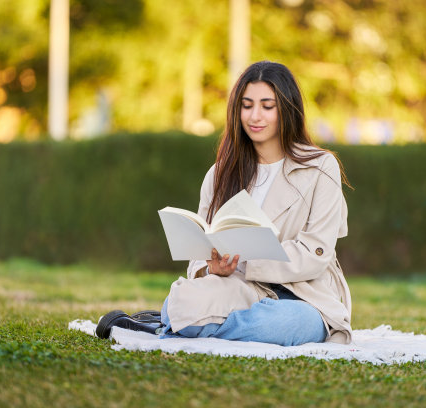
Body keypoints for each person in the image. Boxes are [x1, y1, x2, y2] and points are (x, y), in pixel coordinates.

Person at [97, 61, 352, 346]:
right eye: (247, 105)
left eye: (267, 106)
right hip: (239, 287)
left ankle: (170, 328)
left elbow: (315, 254)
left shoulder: (320, 167)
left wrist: (246, 261)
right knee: (180, 301)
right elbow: (199, 254)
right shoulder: (221, 172)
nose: (255, 116)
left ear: (287, 110)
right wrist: (210, 269)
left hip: (303, 296)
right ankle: (183, 321)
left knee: (286, 323)